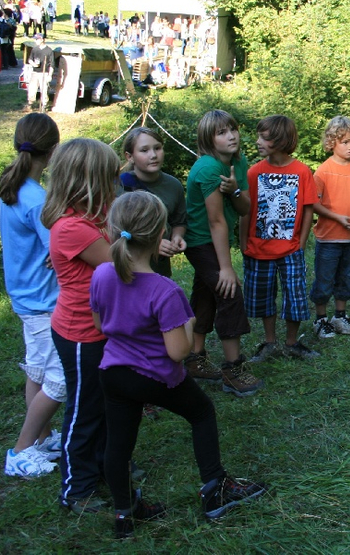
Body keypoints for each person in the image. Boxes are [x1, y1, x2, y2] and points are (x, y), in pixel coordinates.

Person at [92, 191, 266, 539]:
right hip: (155, 376)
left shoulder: (101, 274)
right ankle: (216, 489)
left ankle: (125, 514)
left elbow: (101, 325)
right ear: (161, 234)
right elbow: (177, 352)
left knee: (119, 444)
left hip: (114, 373)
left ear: (113, 229)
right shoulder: (164, 290)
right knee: (201, 412)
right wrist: (188, 322)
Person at [41, 138, 119, 513]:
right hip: (80, 334)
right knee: (84, 410)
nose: (116, 184)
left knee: (104, 403)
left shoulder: (92, 216)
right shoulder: (74, 227)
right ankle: (76, 488)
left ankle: (104, 466)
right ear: (90, 179)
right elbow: (121, 263)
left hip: (100, 328)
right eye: (110, 176)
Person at [0, 114, 64, 478]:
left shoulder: (14, 184)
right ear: (53, 151)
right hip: (44, 302)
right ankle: (21, 451)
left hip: (27, 297)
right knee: (60, 380)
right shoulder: (38, 198)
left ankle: (42, 438)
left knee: (37, 370)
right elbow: (59, 250)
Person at [183, 110, 262, 396]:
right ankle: (233, 370)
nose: (231, 136)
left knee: (205, 294)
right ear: (208, 139)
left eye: (232, 129)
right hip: (200, 241)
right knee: (229, 293)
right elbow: (216, 221)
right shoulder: (207, 168)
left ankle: (194, 359)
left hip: (217, 239)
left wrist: (234, 190)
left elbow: (245, 208)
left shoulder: (238, 161)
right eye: (221, 132)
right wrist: (226, 268)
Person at [239, 115, 320, 363]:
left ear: (281, 140)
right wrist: (243, 242)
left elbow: (308, 208)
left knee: (295, 297)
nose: (257, 142)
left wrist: (301, 243)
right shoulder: (254, 173)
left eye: (264, 138)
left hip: (291, 250)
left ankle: (292, 343)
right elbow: (245, 210)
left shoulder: (302, 171)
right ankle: (270, 342)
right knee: (264, 298)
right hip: (258, 250)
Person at [309, 116, 350, 338]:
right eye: (345, 142)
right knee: (324, 279)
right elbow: (314, 204)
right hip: (329, 239)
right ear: (331, 142)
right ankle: (320, 320)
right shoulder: (323, 171)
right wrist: (337, 218)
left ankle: (340, 316)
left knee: (347, 278)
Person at [119, 127, 187, 277]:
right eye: (144, 150)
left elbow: (179, 221)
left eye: (157, 148)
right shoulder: (119, 187)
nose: (154, 155)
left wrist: (177, 237)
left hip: (159, 270)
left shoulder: (174, 185)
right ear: (130, 156)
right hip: (127, 268)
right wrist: (151, 244)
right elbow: (111, 230)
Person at [26, 34, 55, 112]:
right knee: (32, 89)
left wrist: (50, 75)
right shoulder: (35, 49)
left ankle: (44, 106)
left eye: (37, 39)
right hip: (35, 72)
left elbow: (52, 64)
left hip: (44, 73)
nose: (35, 41)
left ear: (42, 39)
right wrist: (34, 64)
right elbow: (30, 59)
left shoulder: (49, 50)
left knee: (44, 90)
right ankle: (30, 104)